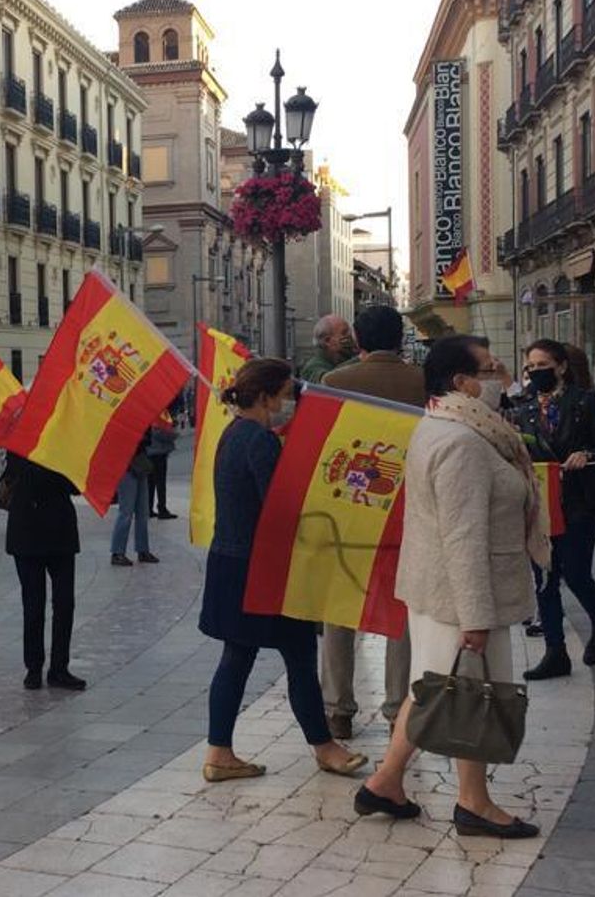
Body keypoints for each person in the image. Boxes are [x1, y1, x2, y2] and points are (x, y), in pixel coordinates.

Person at [355, 336, 544, 839]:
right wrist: (475, 617)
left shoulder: (459, 427)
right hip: (460, 593)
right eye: (487, 368)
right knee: (462, 691)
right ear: (462, 383)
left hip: (448, 590)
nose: (498, 374)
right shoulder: (461, 441)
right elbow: (462, 536)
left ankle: (388, 782)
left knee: (440, 688)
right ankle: (472, 802)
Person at [199, 358, 368, 783]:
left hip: (232, 562)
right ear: (266, 396)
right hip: (262, 569)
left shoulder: (233, 433)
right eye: (288, 393)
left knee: (237, 657)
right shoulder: (258, 440)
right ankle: (324, 747)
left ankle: (219, 752)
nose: (292, 401)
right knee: (297, 654)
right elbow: (282, 506)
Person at [320, 305, 427, 739]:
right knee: (400, 613)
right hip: (408, 513)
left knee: (338, 612)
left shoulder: (334, 382)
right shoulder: (424, 384)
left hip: (350, 510)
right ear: (399, 339)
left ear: (358, 341)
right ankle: (397, 707)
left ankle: (338, 709)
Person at [509, 340, 595, 680]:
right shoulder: (523, 406)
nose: (535, 371)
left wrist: (586, 454)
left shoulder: (584, 402)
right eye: (530, 366)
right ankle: (555, 652)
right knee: (544, 577)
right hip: (540, 504)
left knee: (575, 573)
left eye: (542, 364)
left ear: (560, 366)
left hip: (577, 503)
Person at [1, 454, 86, 690]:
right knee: (33, 604)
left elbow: (76, 486)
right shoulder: (20, 445)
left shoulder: (66, 445)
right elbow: (25, 478)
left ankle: (59, 667)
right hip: (27, 534)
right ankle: (34, 667)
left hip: (60, 533)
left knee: (65, 603)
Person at [110, 430, 158, 566]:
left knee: (143, 511)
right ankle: (117, 552)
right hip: (126, 466)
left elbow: (148, 440)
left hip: (139, 463)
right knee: (126, 511)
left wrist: (142, 436)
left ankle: (143, 550)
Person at [299, 314, 356, 383]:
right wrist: (361, 358)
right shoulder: (313, 367)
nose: (350, 336)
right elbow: (327, 382)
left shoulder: (342, 359)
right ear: (327, 341)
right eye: (344, 333)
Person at [147, 416, 178, 520]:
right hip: (158, 453)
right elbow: (159, 433)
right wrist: (173, 434)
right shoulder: (156, 417)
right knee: (160, 482)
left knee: (151, 483)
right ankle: (162, 509)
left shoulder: (148, 414)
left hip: (150, 453)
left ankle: (149, 508)